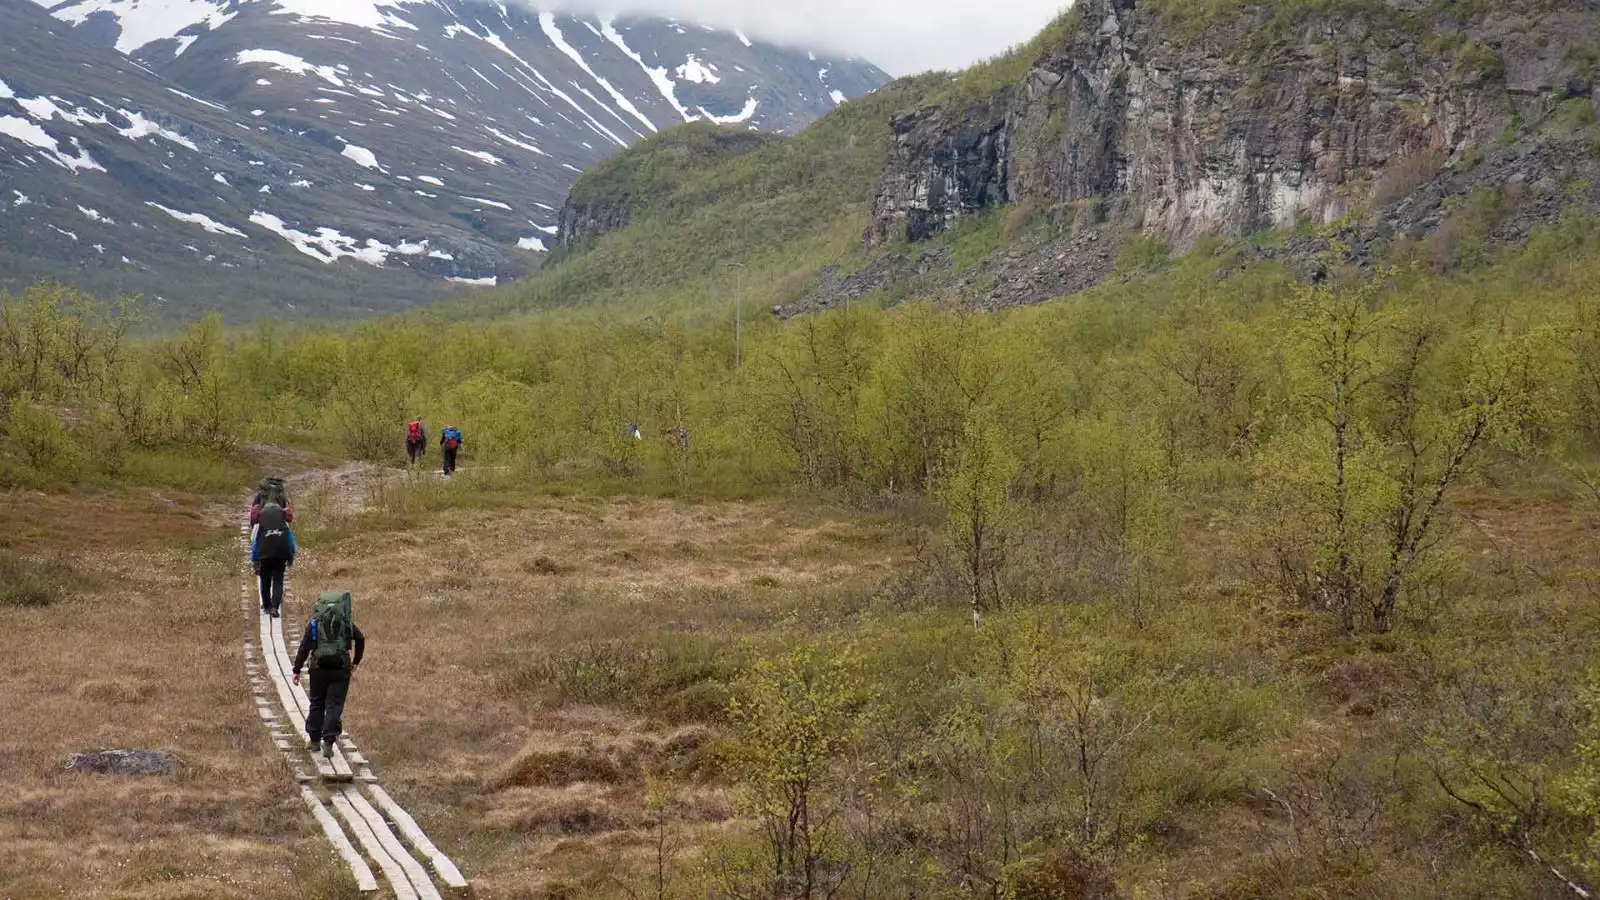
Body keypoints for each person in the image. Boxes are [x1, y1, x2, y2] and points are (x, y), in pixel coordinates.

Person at [291, 592, 365, 758]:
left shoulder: (314, 623)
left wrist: (296, 670)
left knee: (317, 703)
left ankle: (315, 741)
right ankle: (329, 742)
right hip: (341, 669)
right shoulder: (345, 622)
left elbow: (304, 648)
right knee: (334, 705)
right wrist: (356, 661)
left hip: (318, 669)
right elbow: (360, 638)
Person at [250, 502, 296, 617]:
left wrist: (255, 560)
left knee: (265, 582)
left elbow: (254, 543)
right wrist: (291, 556)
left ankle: (267, 606)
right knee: (278, 581)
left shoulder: (258, 524)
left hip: (264, 556)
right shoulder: (284, 523)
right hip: (280, 555)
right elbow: (290, 541)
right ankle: (275, 607)